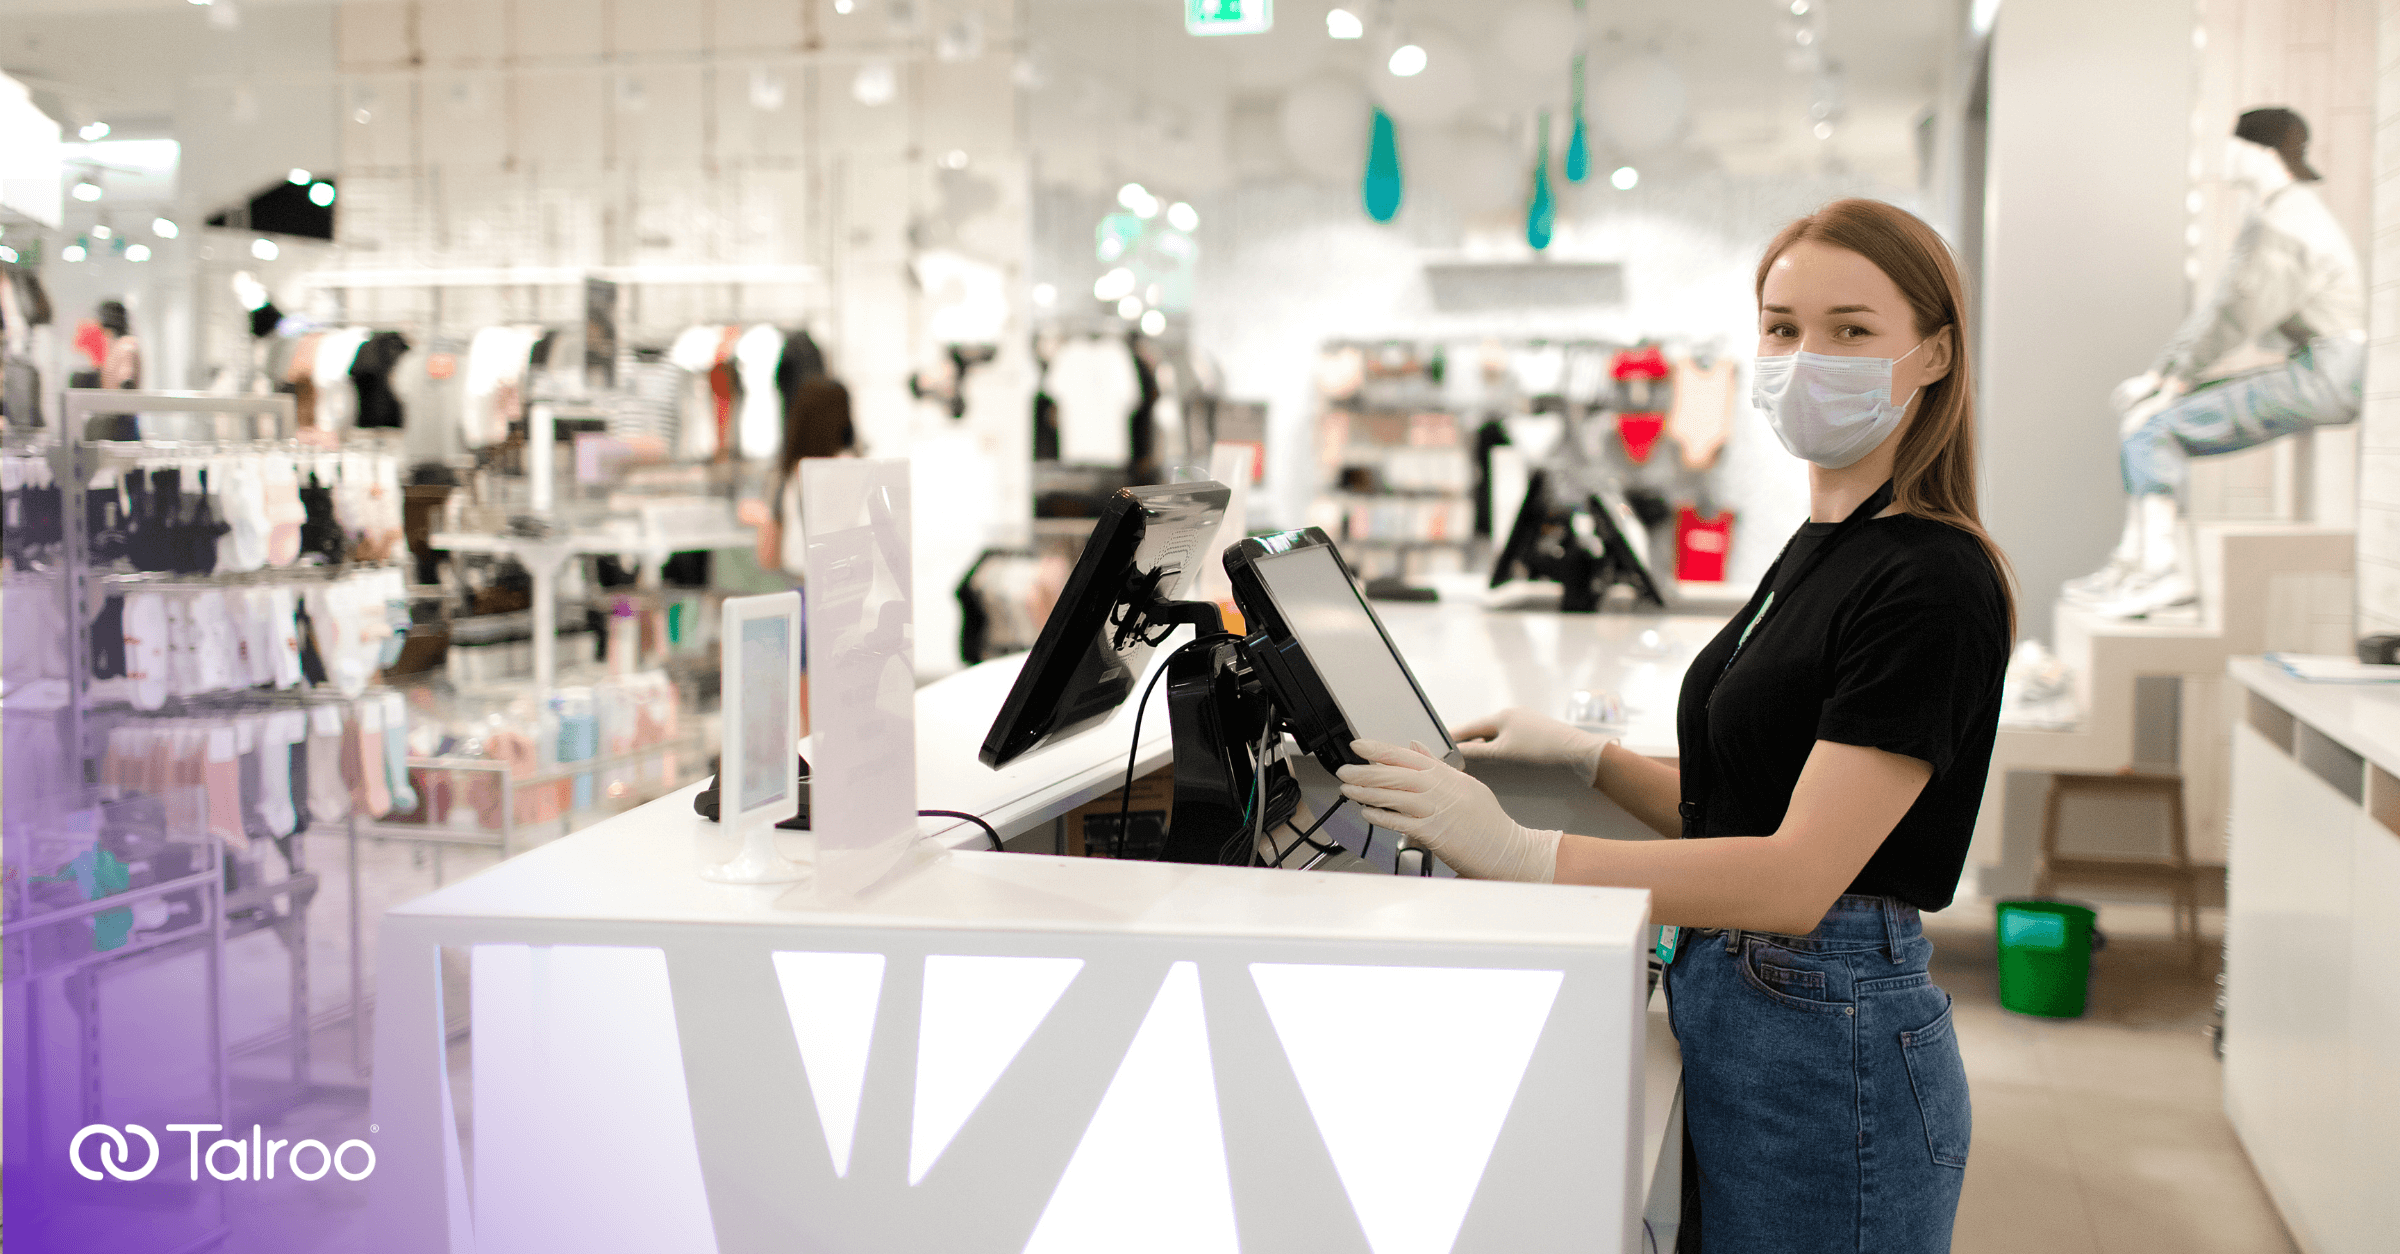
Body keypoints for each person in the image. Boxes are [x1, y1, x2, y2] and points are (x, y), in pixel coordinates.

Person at [1334, 199, 2011, 1254]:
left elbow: (1796, 878)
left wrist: (1521, 852)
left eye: (1851, 330)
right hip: (1761, 1006)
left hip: (1829, 1027)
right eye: (1781, 327)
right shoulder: (1827, 544)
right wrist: (1592, 760)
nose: (1803, 356)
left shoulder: (1930, 578)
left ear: (1933, 354)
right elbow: (1740, 809)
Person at [2067, 107, 2363, 618]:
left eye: (2233, 144)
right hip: (2319, 366)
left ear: (2261, 152)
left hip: (2328, 374)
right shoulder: (2278, 211)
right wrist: (2168, 375)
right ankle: (2138, 562)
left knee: (2152, 428)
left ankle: (2162, 572)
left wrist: (2170, 377)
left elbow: (2235, 312)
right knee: (2143, 421)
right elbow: (2226, 309)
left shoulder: (2286, 220)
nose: (2222, 155)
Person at [738, 376, 857, 579]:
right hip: (848, 589)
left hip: (803, 588)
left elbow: (769, 558)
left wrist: (763, 518)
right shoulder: (856, 470)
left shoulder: (790, 476)